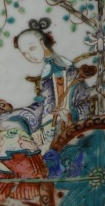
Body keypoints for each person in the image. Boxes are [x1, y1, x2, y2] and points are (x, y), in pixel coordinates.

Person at [12, 18, 91, 150]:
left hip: (72, 130)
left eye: (32, 48)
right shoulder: (47, 74)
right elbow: (45, 104)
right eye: (24, 53)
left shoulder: (69, 71)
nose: (29, 56)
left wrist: (69, 114)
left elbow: (85, 104)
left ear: (43, 43)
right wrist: (38, 127)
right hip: (52, 125)